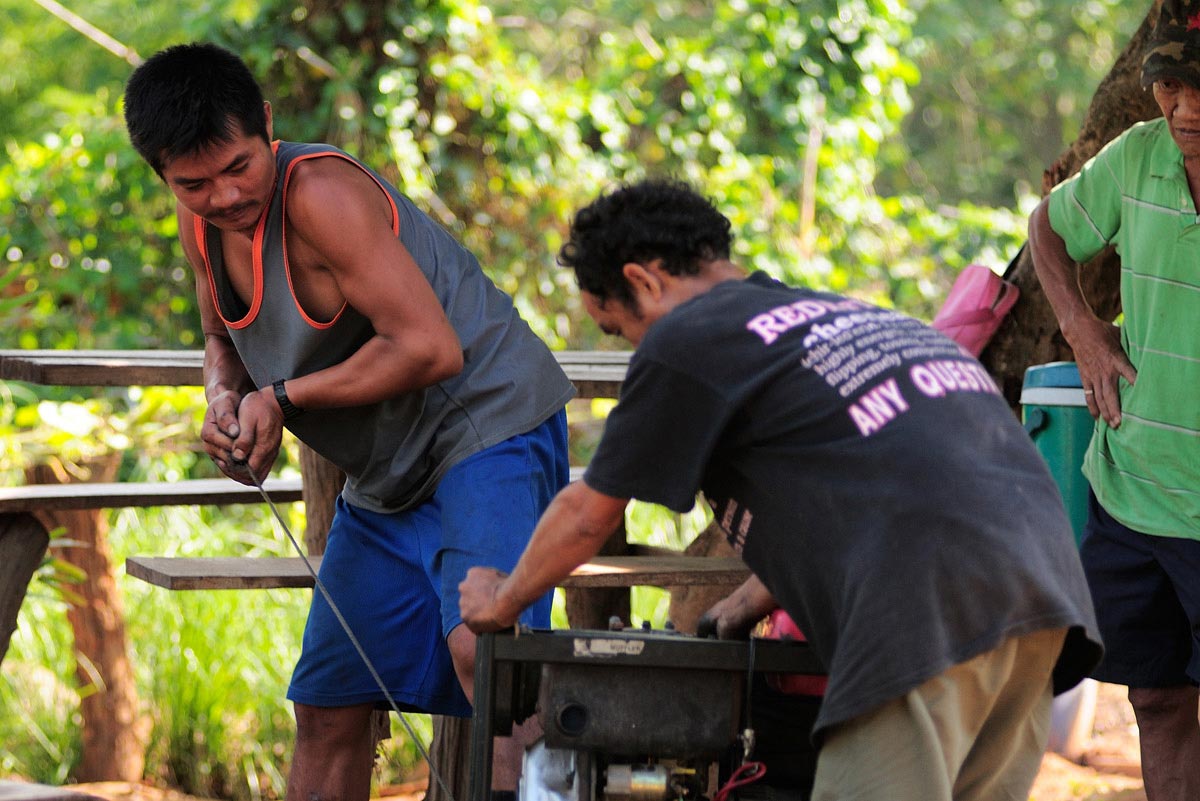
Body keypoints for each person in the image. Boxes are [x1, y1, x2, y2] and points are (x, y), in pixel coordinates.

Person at [460, 177, 1103, 801]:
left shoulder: (689, 334)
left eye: (618, 329)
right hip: (1040, 593)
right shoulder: (841, 318)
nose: (633, 347)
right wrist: (743, 604)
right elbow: (886, 478)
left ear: (643, 282)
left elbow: (587, 516)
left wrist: (502, 599)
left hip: (925, 603)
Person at [122, 42, 576, 801]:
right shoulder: (199, 221)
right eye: (193, 182)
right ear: (164, 175)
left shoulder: (320, 194)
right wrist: (223, 400)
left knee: (488, 662)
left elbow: (428, 347)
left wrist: (284, 398)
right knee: (331, 699)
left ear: (266, 125)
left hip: (486, 427)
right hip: (388, 473)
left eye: (239, 166)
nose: (224, 196)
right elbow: (220, 338)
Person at [1027, 2, 1200, 797]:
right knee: (1157, 698)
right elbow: (1049, 227)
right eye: (1170, 85)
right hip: (1134, 492)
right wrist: (1083, 330)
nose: (1185, 108)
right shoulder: (1136, 157)